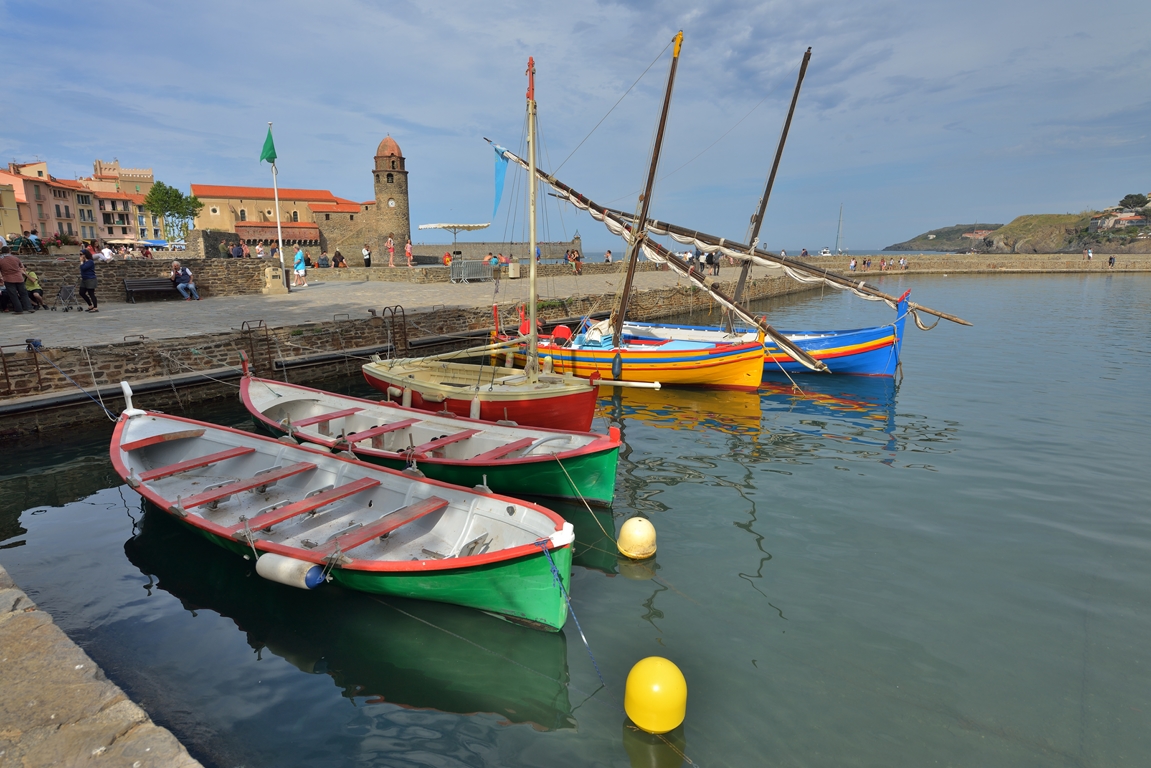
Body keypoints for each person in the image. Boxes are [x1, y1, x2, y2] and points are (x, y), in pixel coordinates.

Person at [0, 247, 33, 314]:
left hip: (8, 278)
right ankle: (29, 307)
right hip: (19, 278)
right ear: (9, 251)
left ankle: (19, 309)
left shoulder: (1, 260)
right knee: (23, 293)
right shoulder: (15, 258)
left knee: (13, 295)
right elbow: (22, 267)